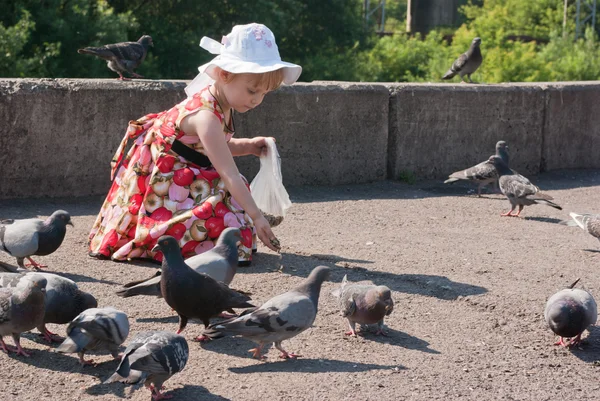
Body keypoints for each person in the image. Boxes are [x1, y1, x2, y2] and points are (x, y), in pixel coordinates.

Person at [88, 23, 302, 265]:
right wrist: (257, 216)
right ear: (224, 74)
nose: (257, 100)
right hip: (163, 180)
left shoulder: (224, 102)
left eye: (264, 93)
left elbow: (210, 147)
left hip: (186, 169)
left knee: (233, 215)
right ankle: (159, 235)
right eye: (252, 90)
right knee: (230, 223)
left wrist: (250, 146)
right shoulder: (206, 116)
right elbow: (228, 172)